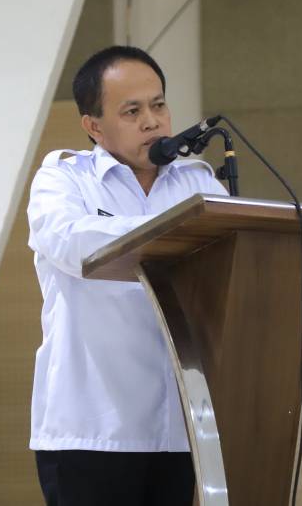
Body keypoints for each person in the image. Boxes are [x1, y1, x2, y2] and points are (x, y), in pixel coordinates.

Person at [27, 45, 229, 506]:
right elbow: (72, 243)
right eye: (132, 111)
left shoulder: (197, 182)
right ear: (94, 127)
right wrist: (180, 228)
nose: (152, 122)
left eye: (159, 105)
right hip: (91, 430)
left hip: (180, 429)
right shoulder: (64, 179)